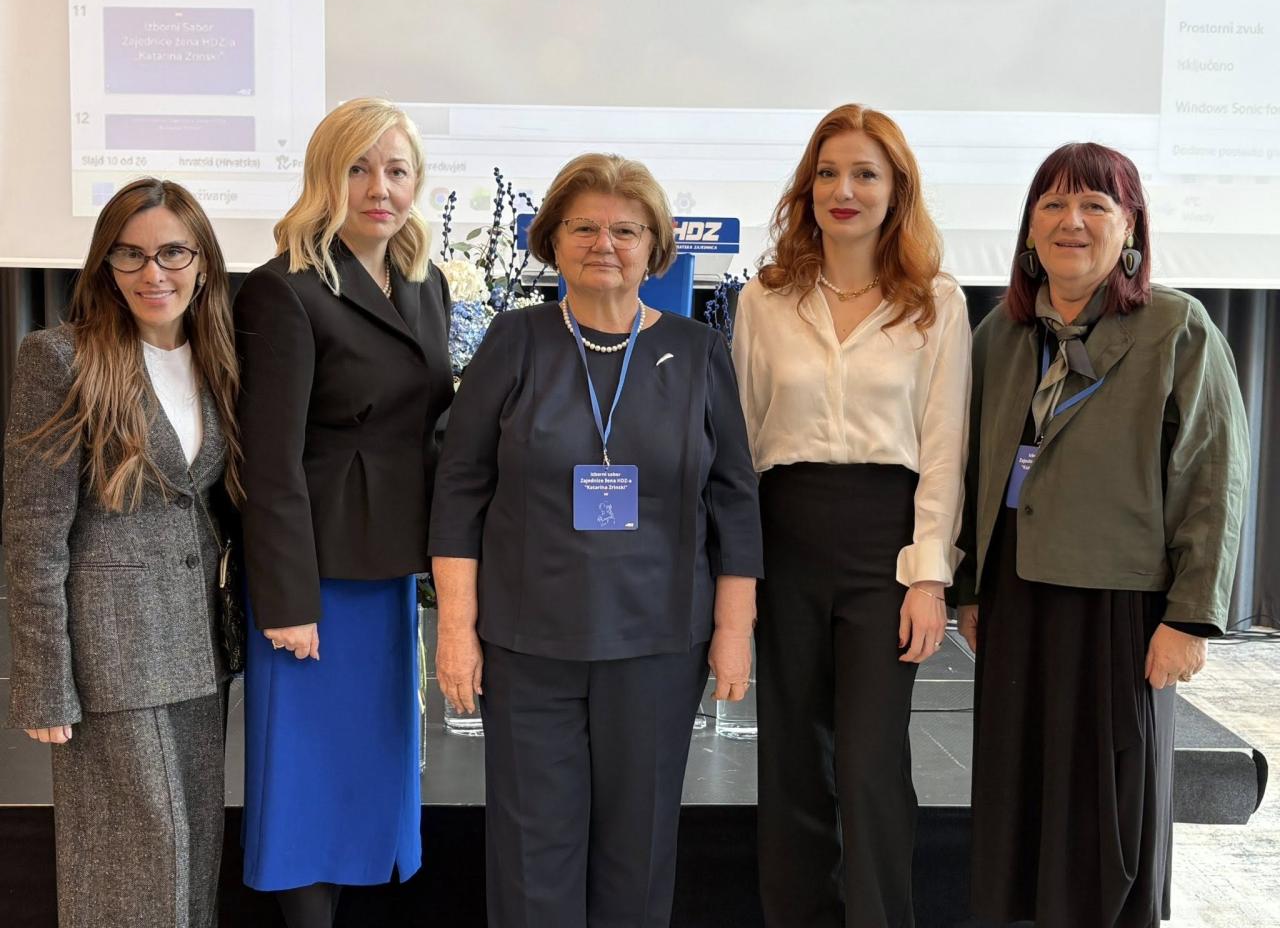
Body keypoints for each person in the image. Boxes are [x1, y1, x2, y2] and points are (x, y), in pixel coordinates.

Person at [429, 152, 763, 928]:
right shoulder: (515, 340)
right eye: (583, 227)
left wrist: (733, 633)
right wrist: (454, 630)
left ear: (655, 247)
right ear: (553, 239)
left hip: (659, 645)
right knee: (530, 855)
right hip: (527, 645)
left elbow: (735, 502)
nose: (603, 243)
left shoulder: (700, 353)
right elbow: (459, 490)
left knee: (637, 858)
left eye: (625, 229)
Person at [954, 142, 1250, 928]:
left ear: (1131, 228)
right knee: (1017, 801)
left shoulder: (1176, 327)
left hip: (1121, 606)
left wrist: (1189, 619)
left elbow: (1214, 477)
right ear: (1029, 228)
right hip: (1016, 598)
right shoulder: (1000, 335)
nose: (1072, 221)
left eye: (1095, 204)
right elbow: (974, 468)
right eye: (1052, 204)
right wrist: (970, 588)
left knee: (1108, 814)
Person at [731, 103, 971, 927]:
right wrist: (738, 573)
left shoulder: (936, 302)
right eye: (828, 173)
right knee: (793, 763)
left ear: (896, 189)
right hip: (784, 538)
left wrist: (929, 578)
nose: (844, 190)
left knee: (871, 768)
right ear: (808, 188)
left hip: (886, 548)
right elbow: (741, 444)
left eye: (865, 174)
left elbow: (943, 450)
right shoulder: (765, 300)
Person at [235, 97, 454, 928]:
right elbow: (271, 462)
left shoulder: (423, 282)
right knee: (307, 780)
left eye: (396, 170)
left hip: (387, 568)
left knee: (366, 770)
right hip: (316, 578)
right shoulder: (282, 290)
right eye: (358, 168)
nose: (379, 188)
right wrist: (288, 600)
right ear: (325, 177)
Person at [4, 177, 241, 927]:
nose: (152, 272)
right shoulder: (60, 358)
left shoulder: (220, 359)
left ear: (201, 260)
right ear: (105, 264)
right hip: (110, 658)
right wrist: (44, 682)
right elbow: (33, 533)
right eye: (130, 254)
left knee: (191, 864)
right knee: (132, 873)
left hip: (200, 652)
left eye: (172, 252)